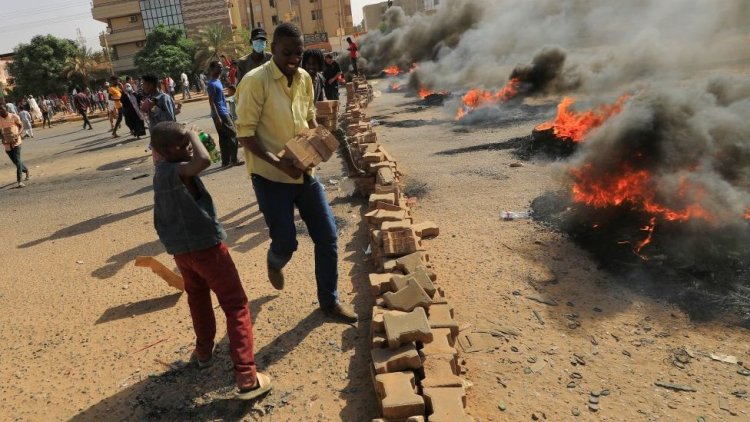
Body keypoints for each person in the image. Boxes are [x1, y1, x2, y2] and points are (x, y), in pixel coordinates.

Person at [235, 22, 357, 322]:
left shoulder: (304, 78)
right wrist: (280, 163)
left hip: (304, 173)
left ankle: (329, 302)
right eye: (287, 52)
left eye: (298, 54)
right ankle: (275, 260)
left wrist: (321, 143)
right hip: (270, 176)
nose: (293, 59)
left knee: (327, 236)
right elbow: (245, 135)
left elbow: (309, 119)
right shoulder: (255, 81)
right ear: (273, 49)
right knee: (287, 242)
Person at [149, 121, 272, 400]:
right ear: (169, 151)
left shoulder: (160, 172)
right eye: (183, 145)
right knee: (236, 304)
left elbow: (170, 150)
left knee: (198, 297)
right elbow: (204, 160)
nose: (189, 147)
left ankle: (203, 352)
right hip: (207, 248)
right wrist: (191, 133)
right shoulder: (180, 170)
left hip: (182, 252)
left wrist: (182, 141)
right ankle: (246, 376)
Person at [207, 61, 242, 167]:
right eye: (219, 67)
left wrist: (229, 95)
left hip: (223, 111)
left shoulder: (217, 81)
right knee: (233, 134)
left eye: (222, 67)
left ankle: (225, 161)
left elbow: (219, 98)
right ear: (212, 68)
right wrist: (217, 116)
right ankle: (234, 159)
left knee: (223, 138)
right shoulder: (211, 84)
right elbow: (211, 101)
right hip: (220, 114)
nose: (221, 69)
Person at [0, 104, 30, 188]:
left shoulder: (14, 116)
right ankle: (26, 170)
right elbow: (0, 131)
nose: (0, 111)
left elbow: (21, 126)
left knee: (17, 160)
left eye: (2, 109)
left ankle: (19, 181)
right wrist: (2, 138)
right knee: (16, 162)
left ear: (6, 109)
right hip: (7, 144)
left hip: (16, 143)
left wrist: (18, 134)